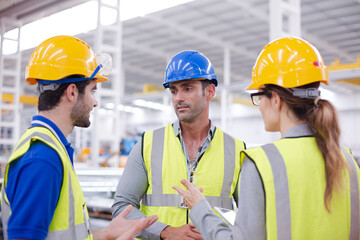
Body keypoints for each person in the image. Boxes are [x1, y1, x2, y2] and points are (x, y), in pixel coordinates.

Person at [173, 37, 360, 239]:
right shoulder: (347, 161)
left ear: (276, 100)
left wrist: (200, 209)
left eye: (259, 97)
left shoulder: (262, 163)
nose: (259, 105)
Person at [0, 35, 158, 240]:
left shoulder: (51, 148)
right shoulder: (43, 158)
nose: (95, 102)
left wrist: (107, 234)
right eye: (93, 90)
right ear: (72, 92)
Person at [111, 50, 246, 239]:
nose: (178, 98)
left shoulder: (237, 150)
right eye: (174, 91)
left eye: (187, 88)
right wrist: (166, 232)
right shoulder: (147, 145)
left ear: (210, 92)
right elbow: (121, 208)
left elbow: (250, 218)